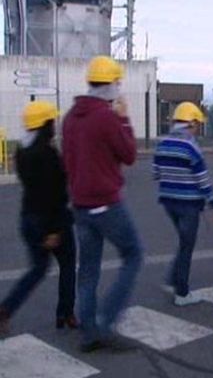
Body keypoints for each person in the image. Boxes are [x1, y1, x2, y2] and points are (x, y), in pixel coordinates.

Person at [62, 55, 143, 352]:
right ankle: (107, 322)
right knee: (133, 255)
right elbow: (129, 154)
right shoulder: (106, 117)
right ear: (110, 86)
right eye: (118, 83)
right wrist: (124, 117)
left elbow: (67, 162)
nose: (119, 89)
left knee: (88, 270)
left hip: (80, 205)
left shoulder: (70, 117)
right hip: (106, 203)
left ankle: (89, 333)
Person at [0, 101, 77, 334]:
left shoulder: (22, 152)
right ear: (45, 125)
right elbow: (54, 193)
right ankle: (65, 313)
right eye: (51, 121)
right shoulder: (47, 154)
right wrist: (53, 231)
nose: (54, 125)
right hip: (52, 220)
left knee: (38, 268)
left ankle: (6, 309)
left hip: (29, 219)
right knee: (67, 264)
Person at [153, 102, 213, 306]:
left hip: (168, 202)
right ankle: (182, 293)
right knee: (187, 246)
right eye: (197, 124)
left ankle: (173, 278)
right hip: (189, 204)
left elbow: (156, 173)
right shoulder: (191, 146)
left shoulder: (162, 143)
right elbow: (202, 178)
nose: (198, 129)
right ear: (191, 123)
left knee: (184, 242)